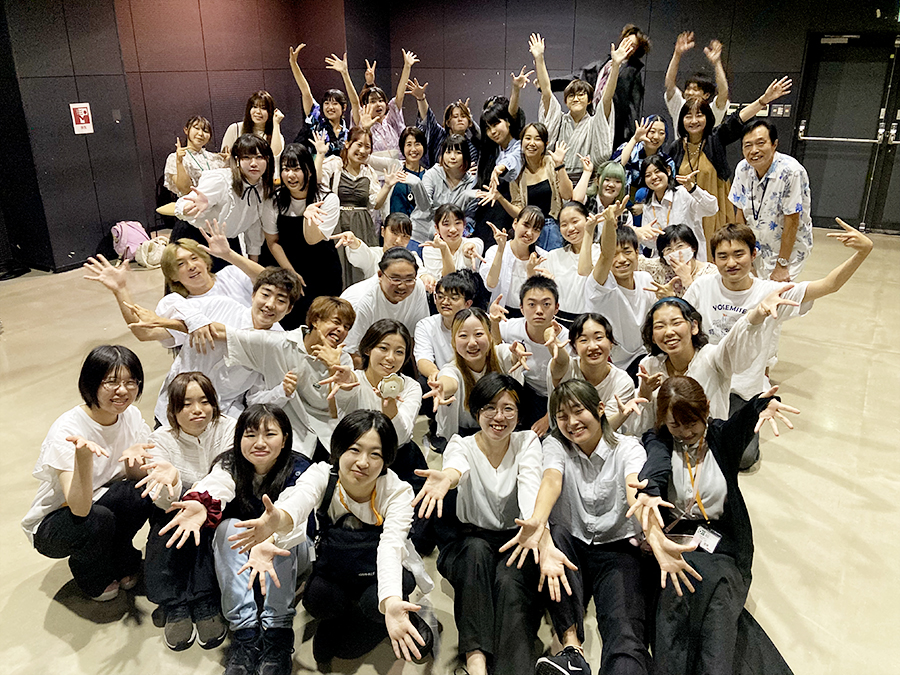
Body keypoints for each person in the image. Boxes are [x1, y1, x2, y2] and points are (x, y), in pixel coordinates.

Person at [224, 410, 434, 667]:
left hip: (379, 574)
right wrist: (278, 520)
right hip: (338, 567)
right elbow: (300, 499)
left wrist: (391, 602)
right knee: (317, 601)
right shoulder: (323, 474)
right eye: (354, 449)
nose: (363, 462)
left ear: (386, 459)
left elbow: (391, 548)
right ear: (339, 449)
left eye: (375, 454)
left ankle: (393, 611)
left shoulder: (397, 492)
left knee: (368, 617)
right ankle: (349, 615)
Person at [633, 376, 799, 675]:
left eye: (691, 423)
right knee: (678, 602)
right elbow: (654, 467)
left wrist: (761, 405)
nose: (685, 433)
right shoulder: (659, 440)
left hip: (722, 545)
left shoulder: (722, 438)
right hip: (677, 544)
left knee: (718, 600)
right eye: (675, 425)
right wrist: (649, 491)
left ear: (706, 409)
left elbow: (744, 420)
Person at [685, 220, 872, 467]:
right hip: (705, 381)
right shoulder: (702, 287)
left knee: (743, 459)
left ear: (753, 254)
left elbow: (829, 285)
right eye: (723, 256)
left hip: (743, 388)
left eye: (739, 254)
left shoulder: (771, 292)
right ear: (714, 259)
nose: (731, 263)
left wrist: (862, 252)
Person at [159, 404, 312, 675]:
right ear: (239, 438)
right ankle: (245, 633)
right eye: (250, 435)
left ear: (285, 438)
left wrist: (272, 534)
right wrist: (201, 502)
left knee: (285, 534)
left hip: (290, 553)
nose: (259, 443)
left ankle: (277, 632)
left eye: (270, 434)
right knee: (226, 527)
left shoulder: (301, 468)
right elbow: (218, 483)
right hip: (243, 554)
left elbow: (297, 507)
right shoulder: (229, 464)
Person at [515, 379, 651, 675]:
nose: (572, 422)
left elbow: (634, 491)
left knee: (624, 628)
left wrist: (654, 534)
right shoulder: (555, 445)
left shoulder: (628, 447)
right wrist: (538, 521)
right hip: (572, 545)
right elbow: (552, 479)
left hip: (617, 546)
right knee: (555, 537)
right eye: (562, 416)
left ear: (600, 409)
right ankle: (571, 652)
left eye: (578, 411)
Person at [413, 374, 544, 675]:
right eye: (490, 408)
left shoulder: (527, 442)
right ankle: (476, 663)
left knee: (510, 584)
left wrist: (531, 524)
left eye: (508, 409)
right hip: (468, 540)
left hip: (517, 538)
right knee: (475, 554)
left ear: (519, 414)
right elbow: (456, 468)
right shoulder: (461, 444)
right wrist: (447, 478)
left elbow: (530, 482)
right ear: (476, 412)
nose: (499, 417)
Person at [22, 345, 154, 602]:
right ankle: (92, 576)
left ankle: (121, 557)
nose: (123, 390)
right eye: (111, 382)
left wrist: (135, 458)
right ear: (91, 383)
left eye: (131, 382)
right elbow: (80, 509)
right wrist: (83, 459)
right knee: (98, 519)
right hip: (56, 521)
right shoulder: (68, 430)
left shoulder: (130, 415)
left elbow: (136, 479)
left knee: (141, 494)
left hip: (101, 500)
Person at [141, 372, 234, 651]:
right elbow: (160, 498)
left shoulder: (229, 428)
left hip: (218, 503)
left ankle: (204, 599)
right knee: (167, 528)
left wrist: (199, 499)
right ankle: (175, 603)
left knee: (206, 528)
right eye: (186, 404)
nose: (197, 410)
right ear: (172, 410)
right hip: (173, 506)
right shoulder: (160, 440)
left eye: (204, 401)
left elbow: (228, 472)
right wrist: (173, 484)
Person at [206, 295, 356, 461]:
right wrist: (193, 322)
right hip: (288, 436)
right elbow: (226, 333)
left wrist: (333, 368)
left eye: (346, 327)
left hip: (328, 436)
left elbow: (337, 412)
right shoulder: (278, 343)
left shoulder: (343, 360)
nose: (341, 330)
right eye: (336, 322)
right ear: (316, 320)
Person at [632, 290, 797, 437]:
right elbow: (644, 428)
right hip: (666, 445)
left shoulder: (712, 357)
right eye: (660, 326)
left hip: (711, 442)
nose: (669, 332)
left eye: (676, 323)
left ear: (694, 326)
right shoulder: (649, 365)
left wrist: (756, 315)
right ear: (653, 336)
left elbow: (734, 344)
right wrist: (644, 394)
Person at [666, 77, 792, 256]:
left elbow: (738, 119)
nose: (694, 120)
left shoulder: (715, 139)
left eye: (699, 115)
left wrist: (763, 100)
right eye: (688, 116)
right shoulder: (676, 147)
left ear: (707, 118)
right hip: (686, 213)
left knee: (715, 252)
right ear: (682, 120)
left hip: (713, 211)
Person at [319, 319, 428, 491]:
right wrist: (344, 380)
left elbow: (401, 437)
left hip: (399, 459)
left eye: (399, 352)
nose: (390, 358)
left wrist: (389, 406)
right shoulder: (352, 381)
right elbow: (347, 390)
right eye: (383, 348)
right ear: (368, 349)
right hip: (355, 457)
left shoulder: (411, 386)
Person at [263, 142, 342, 329]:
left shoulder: (328, 199)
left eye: (297, 169)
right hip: (286, 267)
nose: (290, 175)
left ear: (309, 170)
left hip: (321, 270)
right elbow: (273, 242)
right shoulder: (274, 200)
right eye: (285, 169)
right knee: (286, 325)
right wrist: (291, 274)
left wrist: (309, 217)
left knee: (320, 324)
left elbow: (313, 240)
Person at [532, 33, 630, 177]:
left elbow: (606, 98)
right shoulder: (559, 121)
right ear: (565, 101)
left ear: (589, 100)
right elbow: (546, 92)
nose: (576, 99)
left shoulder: (595, 122)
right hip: (558, 178)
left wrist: (615, 66)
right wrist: (539, 58)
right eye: (571, 96)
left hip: (587, 180)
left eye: (581, 95)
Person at [581, 201, 657, 382]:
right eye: (615, 254)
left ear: (637, 252)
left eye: (626, 251)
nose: (621, 259)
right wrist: (609, 221)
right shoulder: (599, 284)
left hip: (646, 358)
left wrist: (668, 298)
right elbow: (606, 254)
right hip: (611, 366)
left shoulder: (646, 279)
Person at [427, 307, 526, 443]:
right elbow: (449, 381)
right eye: (463, 336)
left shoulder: (500, 355)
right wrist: (442, 389)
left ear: (490, 336)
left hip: (501, 428)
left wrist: (519, 351)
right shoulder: (451, 370)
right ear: (453, 342)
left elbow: (513, 354)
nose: (472, 343)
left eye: (479, 334)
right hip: (466, 436)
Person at [730, 119, 813, 281]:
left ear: (774, 144)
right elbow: (740, 212)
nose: (754, 150)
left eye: (760, 143)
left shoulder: (791, 172)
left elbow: (792, 220)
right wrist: (743, 254)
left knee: (776, 292)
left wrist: (782, 265)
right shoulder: (743, 168)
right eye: (748, 145)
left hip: (787, 250)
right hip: (756, 247)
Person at [175, 134, 278, 263]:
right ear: (237, 160)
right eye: (246, 157)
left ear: (268, 160)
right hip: (195, 239)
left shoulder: (263, 189)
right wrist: (190, 208)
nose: (253, 163)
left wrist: (253, 264)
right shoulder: (222, 180)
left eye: (259, 157)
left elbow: (254, 227)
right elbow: (180, 207)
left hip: (227, 242)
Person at [321, 127, 403, 288]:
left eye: (367, 147)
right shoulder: (334, 165)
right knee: (338, 268)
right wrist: (319, 155)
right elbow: (319, 183)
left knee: (362, 268)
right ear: (347, 144)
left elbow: (376, 203)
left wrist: (387, 186)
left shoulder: (368, 172)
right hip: (337, 223)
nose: (363, 150)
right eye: (359, 145)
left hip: (362, 225)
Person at [479, 123, 574, 251]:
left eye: (537, 139)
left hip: (552, 228)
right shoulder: (517, 172)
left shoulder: (551, 163)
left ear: (545, 144)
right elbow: (519, 211)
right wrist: (500, 198)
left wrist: (560, 165)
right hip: (528, 230)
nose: (532, 143)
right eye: (528, 138)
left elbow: (567, 195)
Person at [496, 275, 569, 434]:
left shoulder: (566, 339)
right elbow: (494, 347)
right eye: (531, 304)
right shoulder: (510, 327)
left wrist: (549, 417)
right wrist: (494, 323)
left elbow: (570, 385)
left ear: (556, 308)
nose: (539, 311)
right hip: (526, 390)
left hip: (558, 395)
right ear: (521, 308)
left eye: (546, 304)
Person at [547, 313, 636, 432]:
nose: (593, 346)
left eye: (599, 338)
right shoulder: (567, 368)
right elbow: (561, 360)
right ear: (574, 346)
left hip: (606, 439)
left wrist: (621, 416)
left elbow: (605, 427)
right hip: (563, 437)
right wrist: (548, 335)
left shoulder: (622, 382)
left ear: (611, 342)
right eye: (583, 340)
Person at [340, 247, 430, 360]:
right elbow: (348, 353)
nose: (402, 286)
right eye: (395, 279)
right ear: (380, 275)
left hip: (394, 358)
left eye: (409, 279)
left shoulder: (417, 287)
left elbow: (416, 340)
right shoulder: (360, 301)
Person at [405, 133, 480, 252]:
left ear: (466, 155)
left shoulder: (472, 183)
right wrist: (417, 185)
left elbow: (462, 217)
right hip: (419, 235)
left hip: (447, 240)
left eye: (458, 152)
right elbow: (424, 207)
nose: (452, 157)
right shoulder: (432, 174)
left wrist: (465, 196)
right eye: (448, 152)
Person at [640, 154, 718, 260]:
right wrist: (647, 236)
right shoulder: (648, 206)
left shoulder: (684, 193)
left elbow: (712, 209)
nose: (654, 177)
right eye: (648, 175)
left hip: (691, 259)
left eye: (657, 171)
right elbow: (648, 244)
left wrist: (693, 189)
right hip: (665, 261)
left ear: (668, 171)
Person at [539, 201, 601, 325]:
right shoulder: (552, 256)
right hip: (559, 323)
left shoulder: (600, 254)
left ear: (587, 219)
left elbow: (586, 271)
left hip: (592, 322)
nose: (570, 228)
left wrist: (589, 232)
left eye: (575, 221)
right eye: (564, 224)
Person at [480, 205, 547, 315]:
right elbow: (491, 284)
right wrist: (500, 249)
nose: (529, 233)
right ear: (515, 223)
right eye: (526, 225)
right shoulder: (495, 250)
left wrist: (531, 271)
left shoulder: (543, 257)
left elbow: (541, 296)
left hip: (530, 315)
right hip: (500, 312)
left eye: (536, 229)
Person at [414, 271, 478, 383]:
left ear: (467, 304)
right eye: (440, 297)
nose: (445, 302)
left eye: (453, 298)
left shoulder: (480, 322)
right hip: (443, 379)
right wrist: (436, 374)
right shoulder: (425, 325)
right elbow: (423, 359)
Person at [289, 43, 349, 157]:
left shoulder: (348, 133)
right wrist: (294, 64)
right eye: (326, 103)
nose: (330, 107)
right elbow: (305, 91)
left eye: (335, 103)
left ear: (344, 107)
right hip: (318, 167)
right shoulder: (316, 119)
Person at [333, 212, 427, 282]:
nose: (398, 240)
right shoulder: (374, 254)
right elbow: (361, 253)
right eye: (394, 233)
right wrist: (354, 242)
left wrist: (426, 278)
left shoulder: (413, 257)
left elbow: (421, 274)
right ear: (383, 231)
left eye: (405, 236)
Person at [664, 32, 730, 131]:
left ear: (706, 95)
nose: (690, 92)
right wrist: (677, 54)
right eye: (688, 89)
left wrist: (717, 63)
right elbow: (669, 84)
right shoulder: (679, 107)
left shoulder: (712, 111)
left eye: (695, 89)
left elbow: (723, 92)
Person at [410, 79, 480, 168]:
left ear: (469, 121)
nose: (460, 119)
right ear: (448, 122)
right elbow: (428, 119)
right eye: (455, 116)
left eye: (463, 116)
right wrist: (421, 98)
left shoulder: (471, 147)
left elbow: (472, 170)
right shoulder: (439, 135)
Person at [642, 224, 718, 298]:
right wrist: (637, 234)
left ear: (693, 247)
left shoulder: (710, 273)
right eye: (668, 249)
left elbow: (705, 304)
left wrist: (686, 280)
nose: (674, 252)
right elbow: (637, 261)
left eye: (680, 246)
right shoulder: (659, 267)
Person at [164, 115, 227, 197]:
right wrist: (179, 162)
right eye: (196, 128)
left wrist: (228, 162)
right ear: (186, 130)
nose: (200, 134)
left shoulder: (215, 158)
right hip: (193, 202)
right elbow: (185, 190)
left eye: (205, 131)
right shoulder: (174, 158)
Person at [613, 115, 676, 193]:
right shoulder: (628, 147)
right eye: (652, 131)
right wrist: (635, 139)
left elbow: (669, 189)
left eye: (661, 133)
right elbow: (614, 168)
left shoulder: (667, 162)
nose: (656, 137)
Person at [421, 203, 485, 279]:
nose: (453, 230)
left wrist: (467, 248)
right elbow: (447, 279)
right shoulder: (430, 250)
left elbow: (470, 245)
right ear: (437, 228)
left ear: (464, 224)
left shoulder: (476, 243)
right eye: (446, 224)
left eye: (457, 223)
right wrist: (444, 249)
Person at [220, 91, 284, 166]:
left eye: (263, 108)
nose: (258, 112)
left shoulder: (276, 135)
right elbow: (223, 159)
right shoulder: (235, 129)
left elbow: (275, 158)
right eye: (255, 107)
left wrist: (276, 123)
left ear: (270, 112)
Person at [389, 127, 428, 217]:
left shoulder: (429, 175)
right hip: (396, 223)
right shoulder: (395, 171)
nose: (413, 149)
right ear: (402, 147)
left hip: (421, 225)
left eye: (417, 144)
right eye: (409, 144)